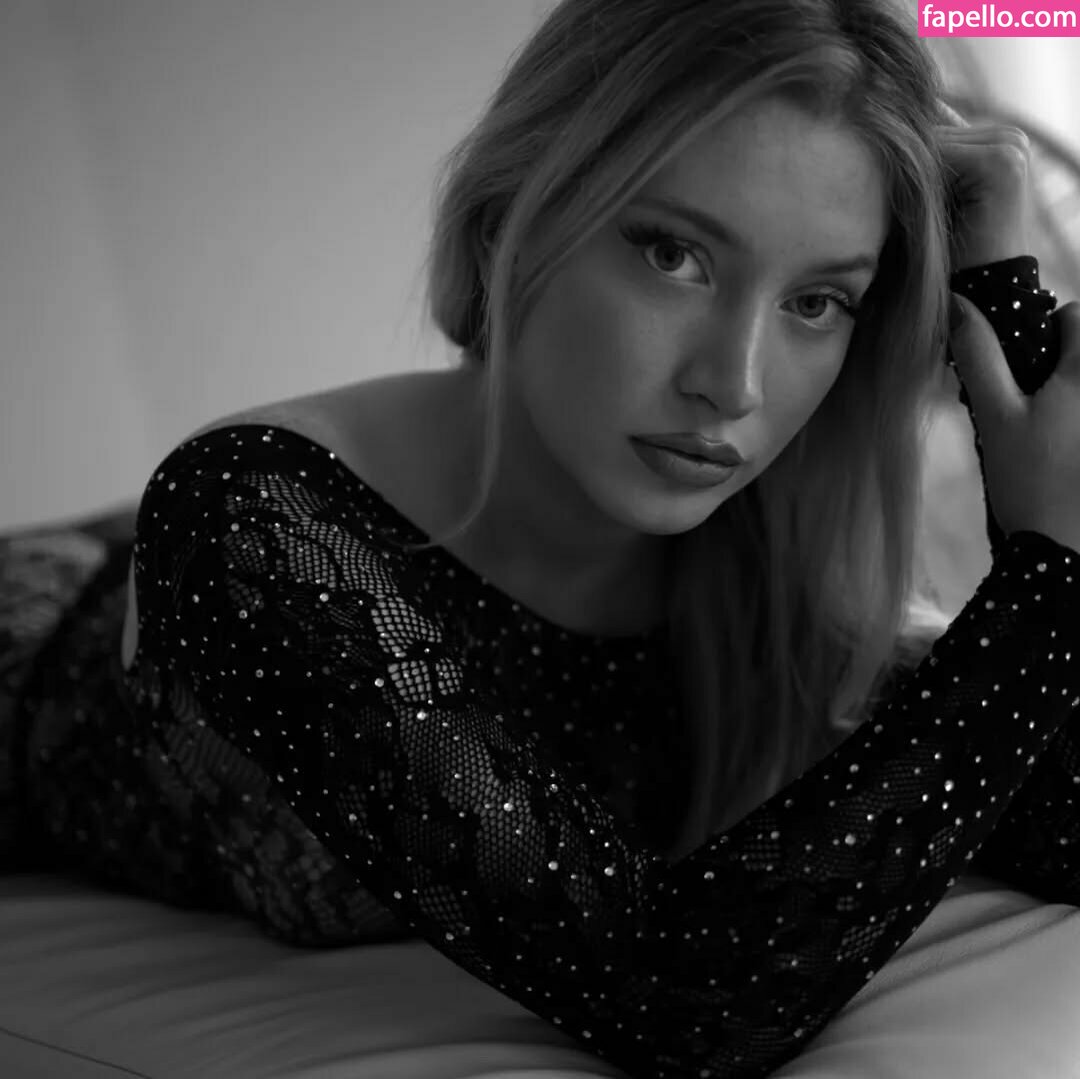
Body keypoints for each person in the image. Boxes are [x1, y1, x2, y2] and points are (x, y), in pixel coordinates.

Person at [6, 0, 1080, 1076]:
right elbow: (683, 1003)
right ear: (503, 228)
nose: (735, 383)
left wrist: (1010, 325)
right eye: (674, 254)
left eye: (816, 301)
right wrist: (1048, 573)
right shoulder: (252, 518)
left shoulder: (775, 563)